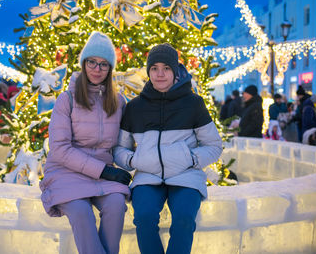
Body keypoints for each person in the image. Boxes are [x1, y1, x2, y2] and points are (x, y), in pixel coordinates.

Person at [113, 43, 223, 254]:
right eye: (154, 68)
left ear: (175, 71)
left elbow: (214, 145)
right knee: (144, 218)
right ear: (148, 72)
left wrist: (190, 158)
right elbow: (119, 148)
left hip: (186, 176)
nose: (160, 74)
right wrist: (134, 161)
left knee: (183, 220)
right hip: (147, 177)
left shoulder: (194, 103)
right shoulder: (135, 107)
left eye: (166, 68)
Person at [40, 31, 131, 254]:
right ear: (83, 63)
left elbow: (123, 145)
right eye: (92, 62)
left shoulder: (118, 102)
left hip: (102, 174)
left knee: (116, 206)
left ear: (110, 69)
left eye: (103, 64)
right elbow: (59, 149)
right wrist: (104, 171)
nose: (97, 69)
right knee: (81, 212)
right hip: (66, 172)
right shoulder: (67, 99)